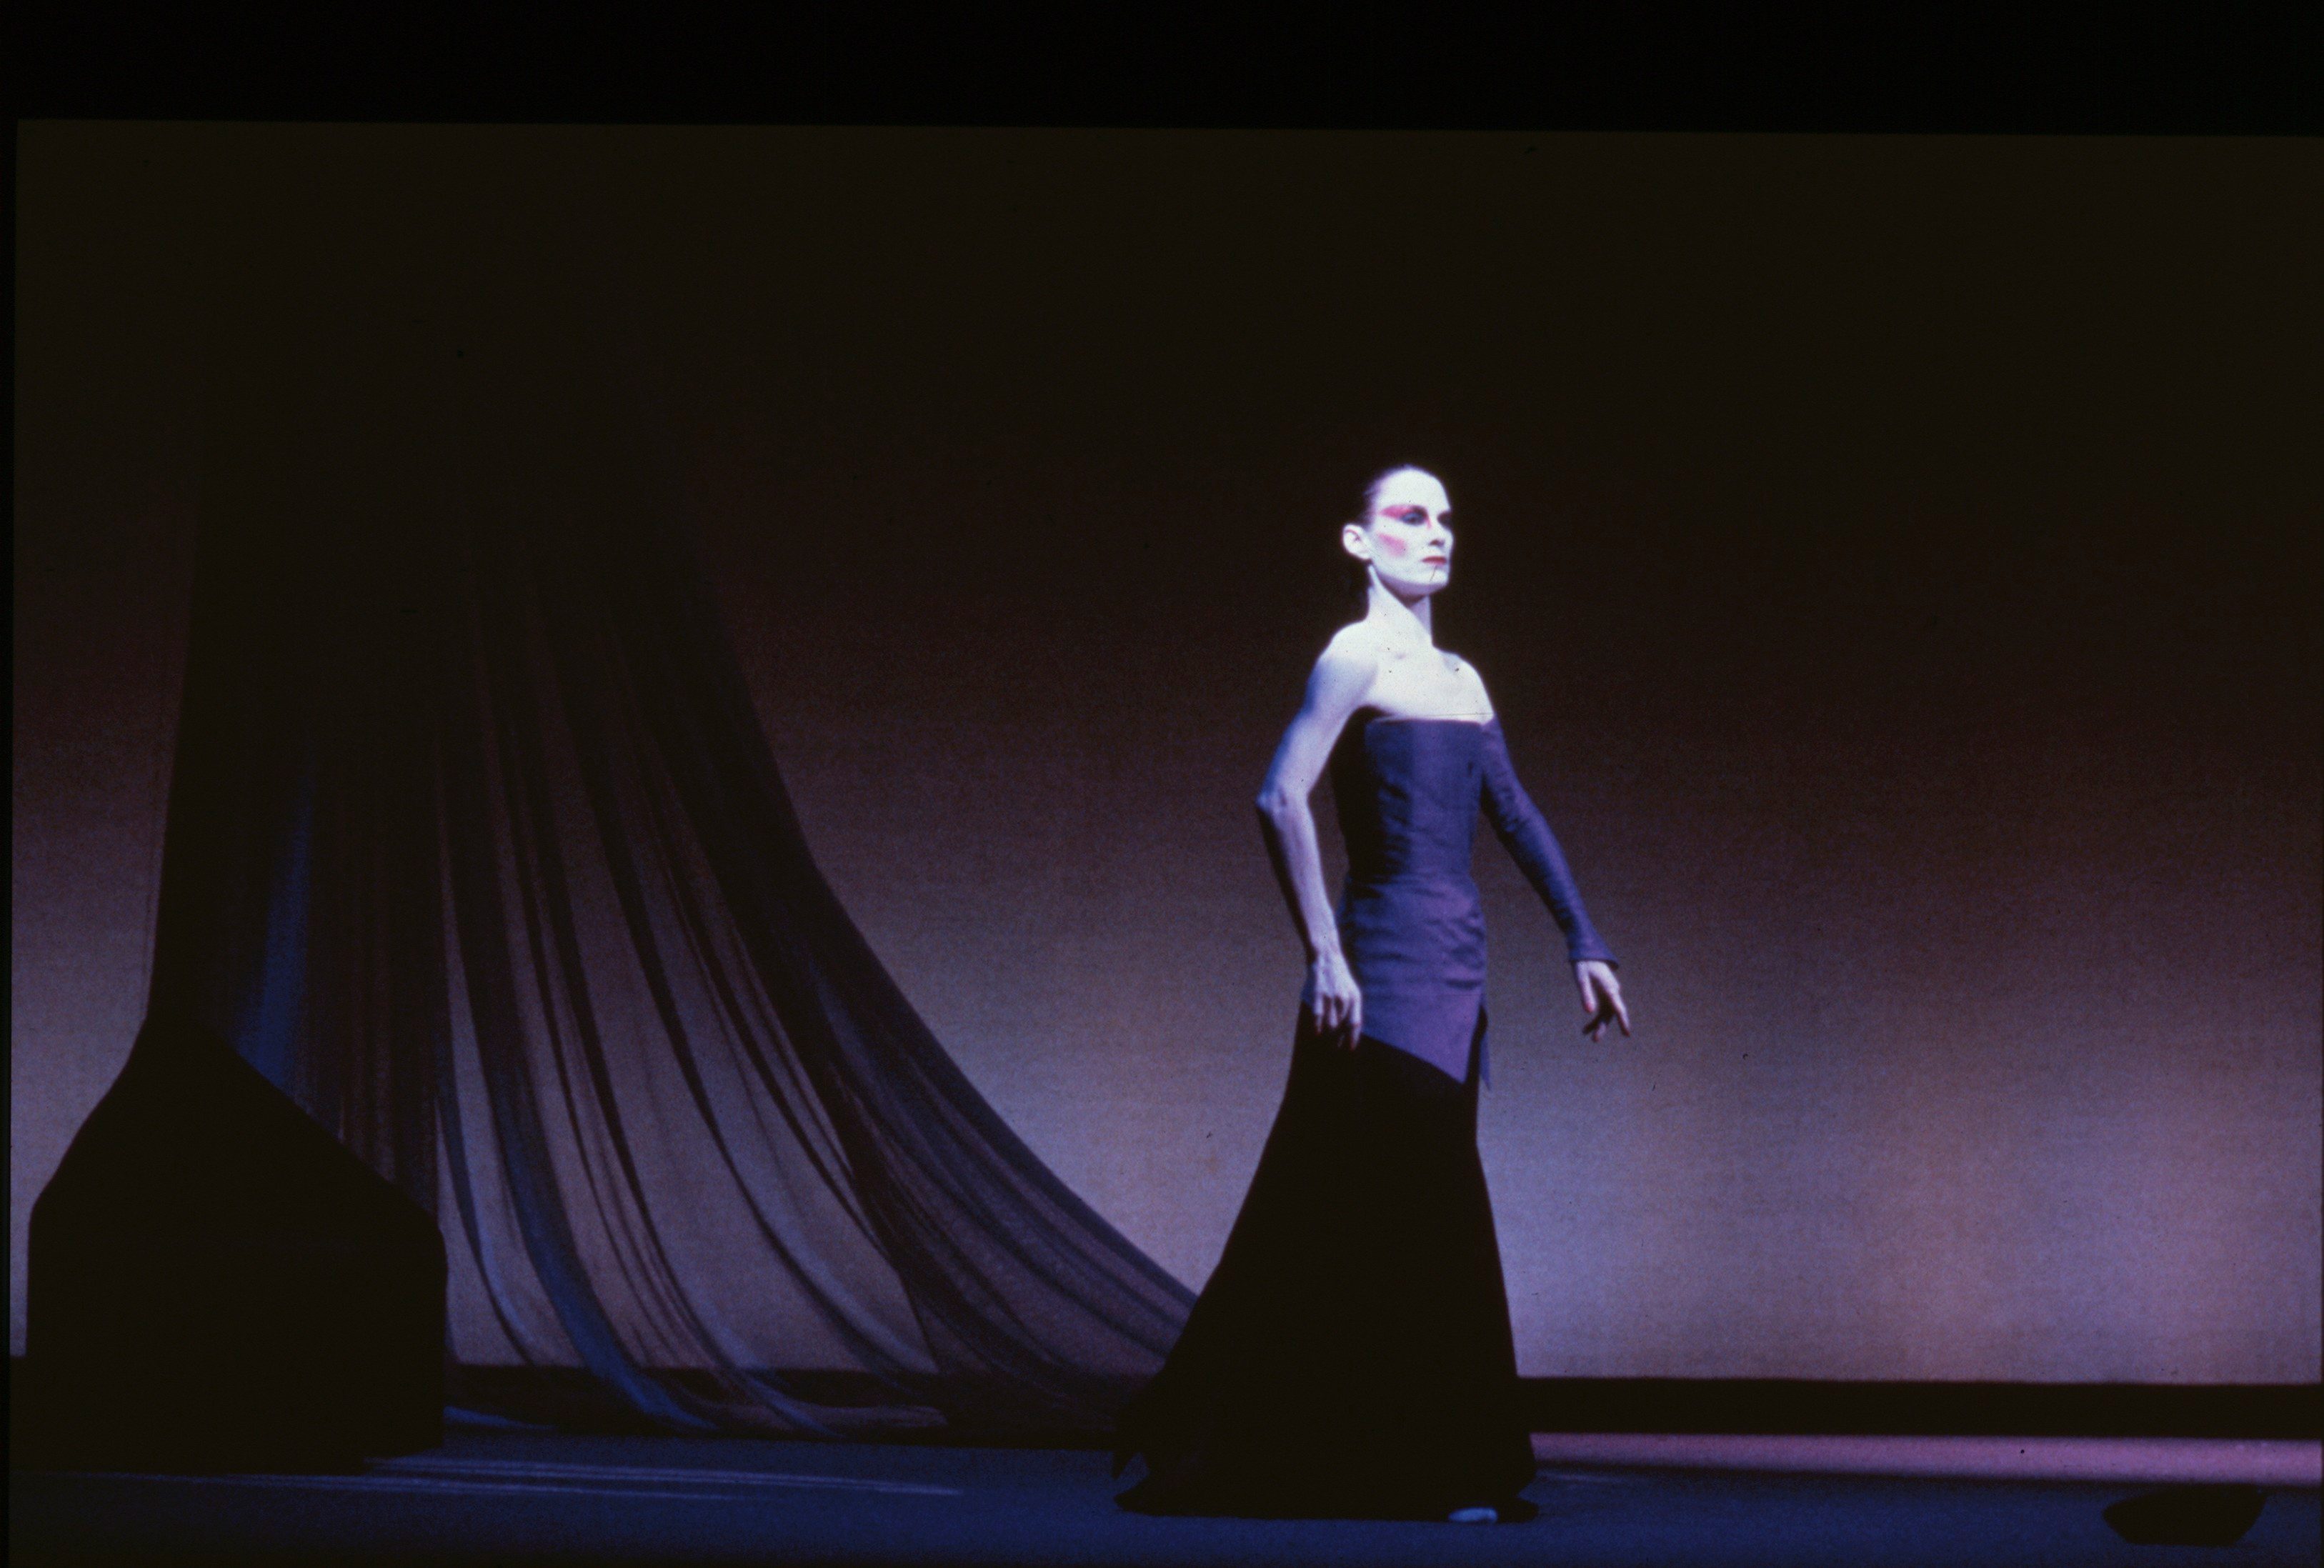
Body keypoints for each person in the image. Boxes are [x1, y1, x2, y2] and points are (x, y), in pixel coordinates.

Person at [1111, 464, 1630, 1524]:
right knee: (1410, 1221)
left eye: (1446, 519)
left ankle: (1402, 1460)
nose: (1436, 534)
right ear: (1359, 542)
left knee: (1400, 1216)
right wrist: (1323, 952)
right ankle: (1424, 1469)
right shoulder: (1353, 654)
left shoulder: (1463, 677)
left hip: (1456, 969)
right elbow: (1278, 795)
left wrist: (1583, 938)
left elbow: (1513, 813)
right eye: (1408, 516)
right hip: (1381, 972)